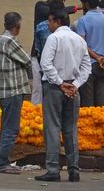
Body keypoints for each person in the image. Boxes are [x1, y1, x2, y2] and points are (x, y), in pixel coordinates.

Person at [35, 9, 90, 183]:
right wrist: (75, 85)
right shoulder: (79, 40)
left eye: (50, 21)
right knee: (70, 129)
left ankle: (53, 169)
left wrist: (59, 83)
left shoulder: (54, 38)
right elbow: (86, 66)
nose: (48, 24)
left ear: (57, 21)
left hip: (54, 88)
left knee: (52, 128)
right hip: (73, 88)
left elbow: (45, 63)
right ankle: (74, 170)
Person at [0, 12, 31, 174]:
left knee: (6, 127)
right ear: (17, 26)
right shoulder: (11, 41)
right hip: (13, 90)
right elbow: (27, 60)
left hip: (3, 91)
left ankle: (1, 161)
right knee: (11, 128)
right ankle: (2, 163)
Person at [33, 0, 67, 105]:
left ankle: (35, 112)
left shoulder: (40, 27)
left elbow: (38, 49)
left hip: (43, 63)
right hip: (58, 65)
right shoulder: (67, 30)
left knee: (39, 89)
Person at [76, 0, 104, 106]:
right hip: (103, 64)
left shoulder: (83, 21)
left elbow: (81, 44)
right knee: (101, 100)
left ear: (86, 4)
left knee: (88, 102)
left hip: (89, 64)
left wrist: (96, 58)